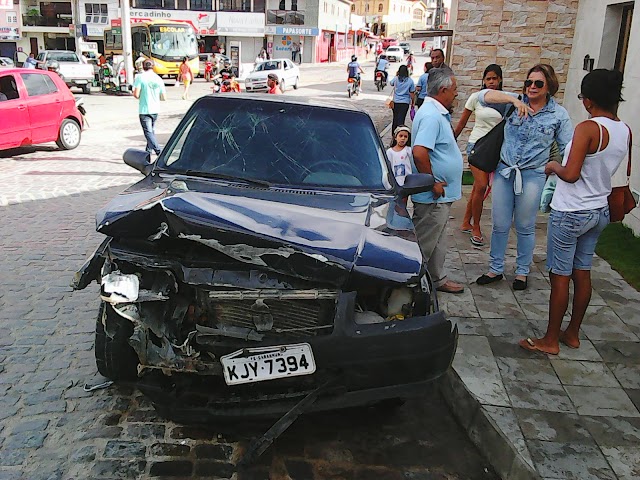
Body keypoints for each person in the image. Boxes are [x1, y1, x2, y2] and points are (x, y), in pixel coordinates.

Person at [519, 69, 630, 354]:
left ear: (589, 100)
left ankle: (550, 339)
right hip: (598, 210)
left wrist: (552, 166)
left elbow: (570, 174)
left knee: (560, 276)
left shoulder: (588, 128)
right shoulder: (623, 130)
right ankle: (572, 333)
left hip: (571, 212)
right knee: (583, 272)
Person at [475, 64, 573, 290]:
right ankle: (495, 268)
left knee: (525, 225)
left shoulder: (558, 115)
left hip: (532, 175)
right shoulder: (514, 102)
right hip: (504, 171)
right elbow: (482, 96)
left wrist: (555, 166)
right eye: (529, 82)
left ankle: (522, 271)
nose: (532, 87)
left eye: (538, 83)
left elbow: (568, 147)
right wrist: (513, 101)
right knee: (499, 224)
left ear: (549, 86)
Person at [411, 67, 464, 294]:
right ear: (443, 90)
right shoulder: (432, 115)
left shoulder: (437, 112)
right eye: (454, 90)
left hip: (439, 195)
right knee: (424, 242)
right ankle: (409, 284)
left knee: (437, 238)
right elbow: (419, 152)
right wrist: (432, 183)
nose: (456, 95)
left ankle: (437, 278)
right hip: (432, 194)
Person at [453, 64, 505, 247]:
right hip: (476, 146)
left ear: (500, 80)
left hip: (493, 149)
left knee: (478, 188)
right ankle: (476, 227)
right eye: (488, 78)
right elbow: (462, 123)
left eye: (495, 78)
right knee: (482, 185)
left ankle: (466, 221)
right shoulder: (476, 98)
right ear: (483, 80)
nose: (491, 82)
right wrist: (451, 141)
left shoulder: (505, 101)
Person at [133, 60, 167, 156]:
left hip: (144, 109)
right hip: (155, 109)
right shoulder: (158, 79)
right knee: (151, 132)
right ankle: (147, 154)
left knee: (148, 133)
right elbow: (164, 97)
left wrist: (143, 95)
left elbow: (136, 94)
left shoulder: (140, 77)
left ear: (143, 67)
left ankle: (159, 152)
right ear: (153, 66)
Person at [389, 65, 416, 140]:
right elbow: (412, 93)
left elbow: (391, 83)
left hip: (396, 102)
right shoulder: (410, 81)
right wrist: (413, 103)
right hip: (405, 103)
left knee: (395, 119)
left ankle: (394, 136)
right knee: (401, 119)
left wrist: (396, 75)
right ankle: (399, 135)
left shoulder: (396, 79)